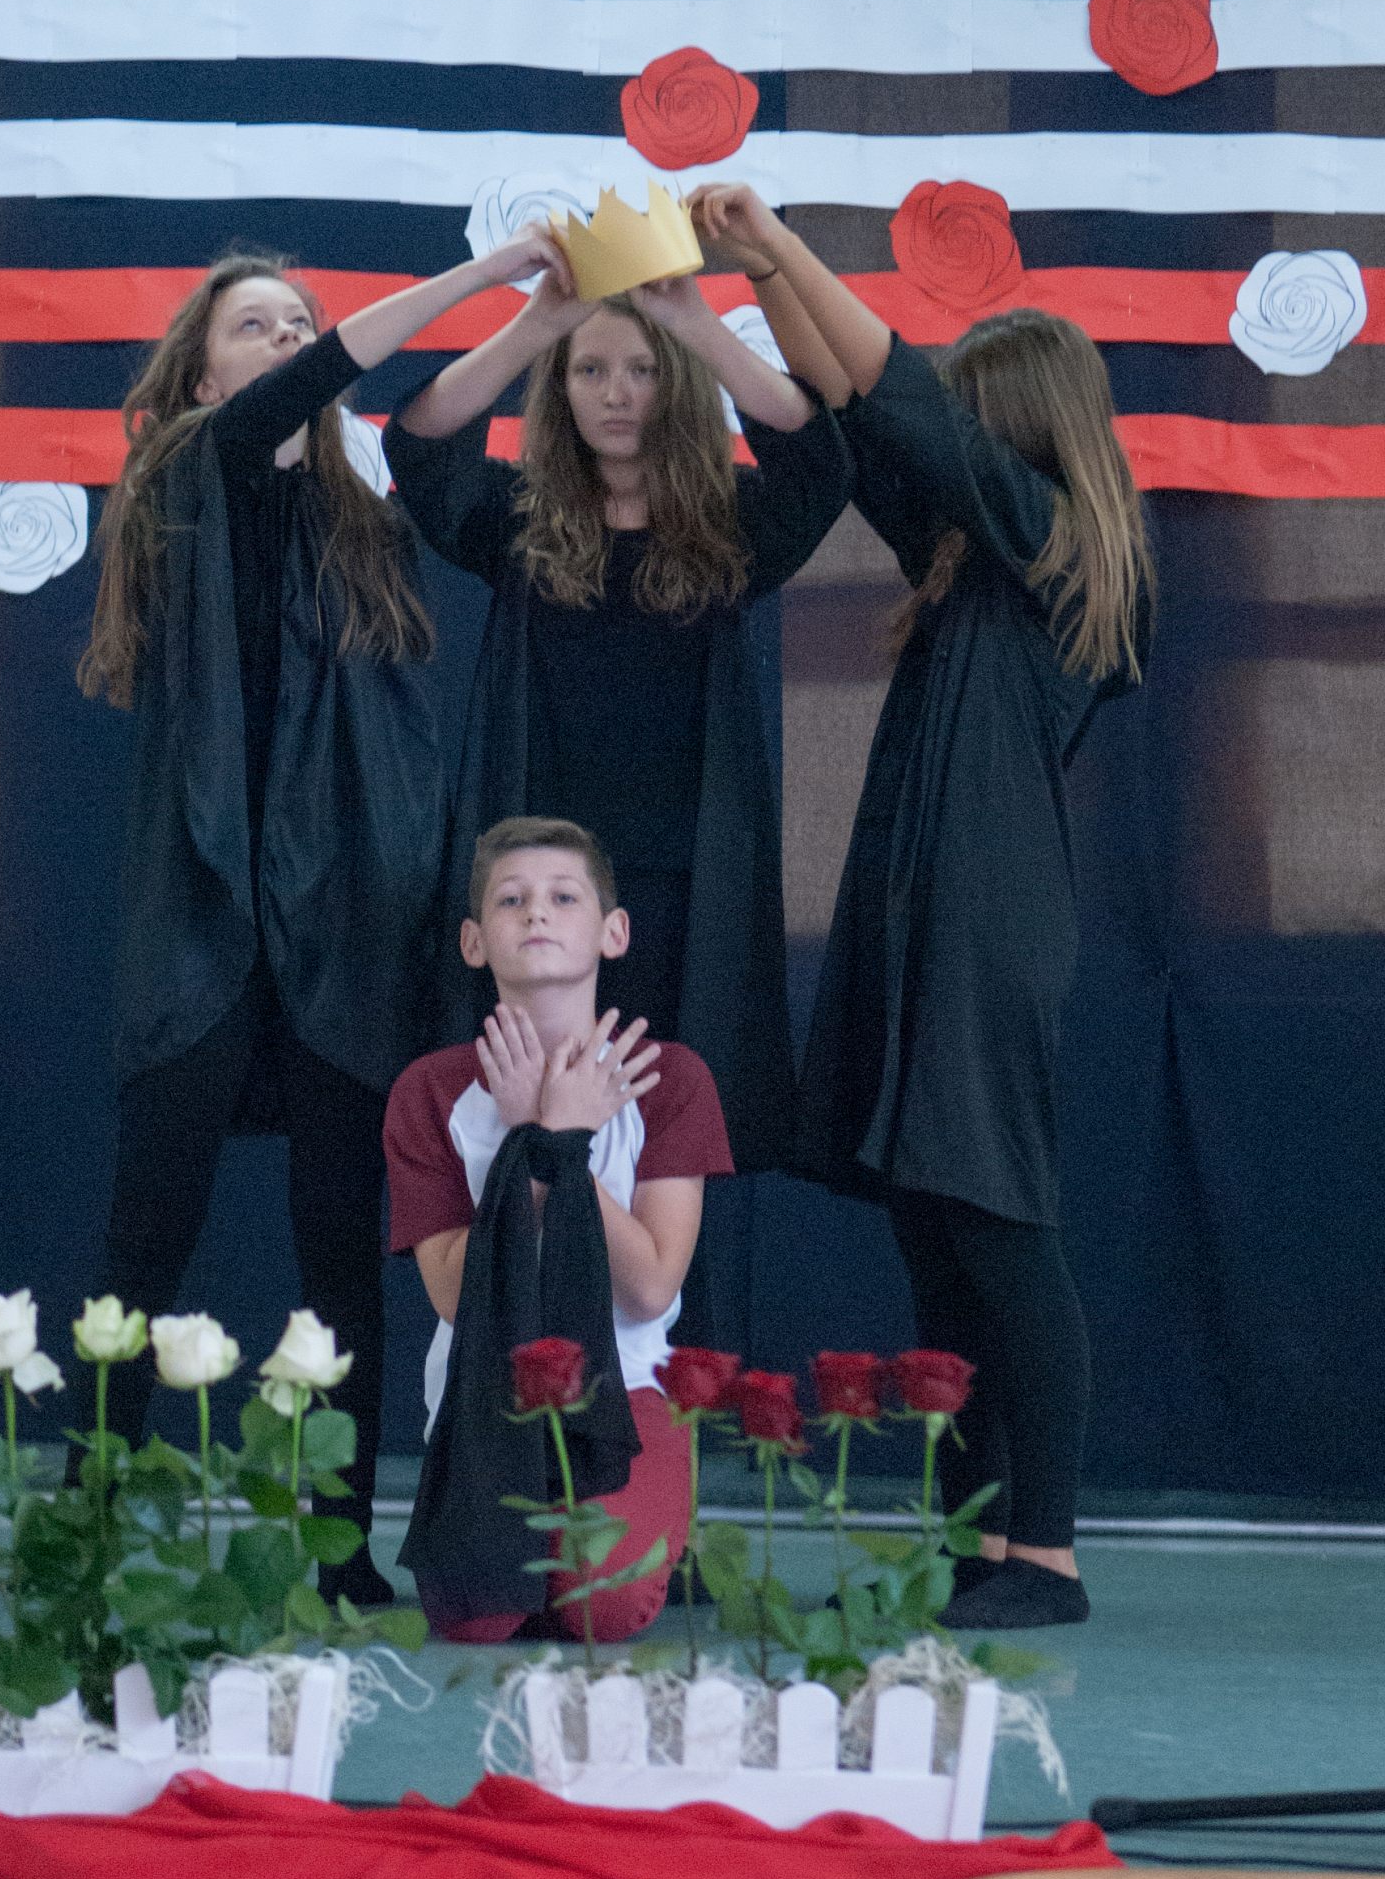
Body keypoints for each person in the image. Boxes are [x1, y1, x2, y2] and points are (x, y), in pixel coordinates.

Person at [687, 183, 1156, 1629]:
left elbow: (902, 399)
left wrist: (777, 246)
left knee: (1000, 1230)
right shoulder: (970, 559)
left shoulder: (1048, 544)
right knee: (939, 1238)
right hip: (922, 918)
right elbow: (862, 411)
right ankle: (975, 1539)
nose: (950, 428)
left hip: (985, 932)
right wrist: (731, 295)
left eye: (973, 414)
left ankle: (1046, 1554)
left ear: (1019, 431)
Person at [76, 234, 558, 1603]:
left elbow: (418, 422)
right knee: (145, 1243)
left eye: (300, 322)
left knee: (342, 1248)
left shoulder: (365, 526)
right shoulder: (192, 471)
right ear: (200, 375)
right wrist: (484, 275)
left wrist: (541, 319)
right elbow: (325, 381)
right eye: (258, 326)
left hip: (346, 926)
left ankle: (340, 1543)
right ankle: (88, 1527)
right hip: (208, 922)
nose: (290, 340)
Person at [380, 255, 856, 1183]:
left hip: (685, 884)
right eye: (590, 370)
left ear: (676, 383)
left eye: (641, 370)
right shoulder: (518, 520)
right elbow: (421, 442)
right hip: (543, 889)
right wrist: (535, 329)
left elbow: (819, 461)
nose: (615, 393)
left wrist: (699, 326)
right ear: (559, 388)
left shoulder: (730, 525)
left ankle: (669, 1291)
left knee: (670, 1145)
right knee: (530, 1136)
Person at [383, 817, 733, 1641]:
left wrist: (563, 1144)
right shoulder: (430, 1091)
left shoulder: (670, 1079)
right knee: (477, 1623)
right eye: (511, 900)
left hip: (626, 1389)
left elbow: (649, 1290)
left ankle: (648, 1514)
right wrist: (534, 1145)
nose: (537, 912)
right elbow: (453, 1296)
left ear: (614, 932)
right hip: (484, 1400)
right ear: (474, 942)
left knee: (601, 1606)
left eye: (564, 897)